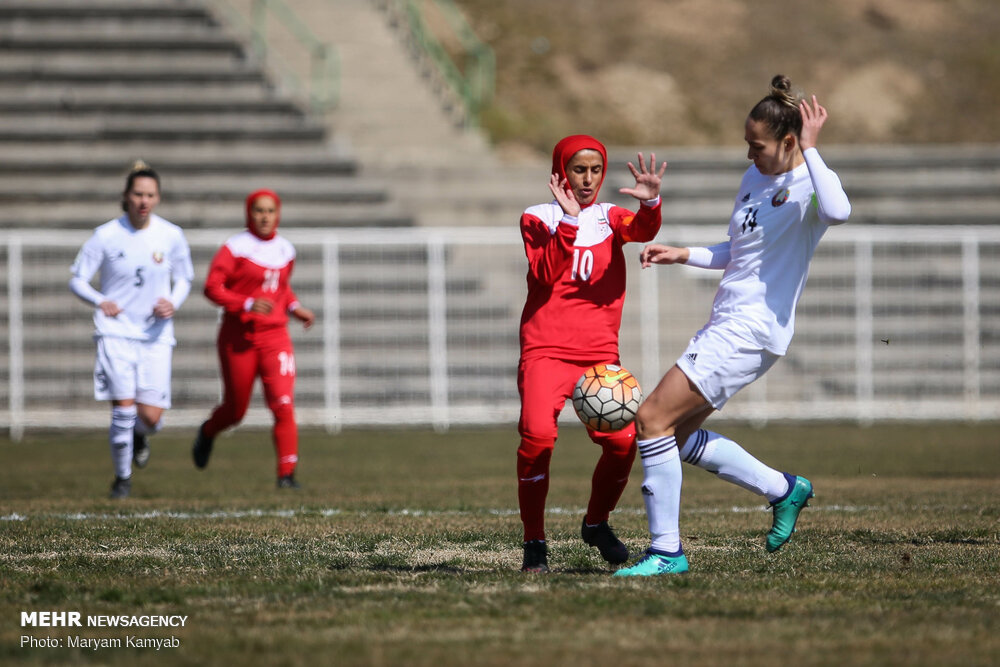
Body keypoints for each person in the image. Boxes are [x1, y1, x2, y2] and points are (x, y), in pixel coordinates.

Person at [614, 76, 852, 577]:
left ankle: (665, 552)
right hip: (729, 321)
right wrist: (685, 253)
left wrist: (811, 150)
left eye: (757, 146)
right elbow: (741, 253)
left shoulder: (810, 181)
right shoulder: (755, 182)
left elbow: (839, 210)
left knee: (652, 418)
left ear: (788, 141)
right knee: (671, 437)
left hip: (749, 329)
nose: (750, 155)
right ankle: (784, 490)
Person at [517, 134, 667, 572]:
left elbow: (640, 231)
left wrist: (650, 204)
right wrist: (567, 220)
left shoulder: (609, 216)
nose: (587, 179)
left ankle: (596, 524)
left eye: (595, 170)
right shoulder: (537, 216)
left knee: (623, 444)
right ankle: (534, 543)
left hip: (599, 354)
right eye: (577, 169)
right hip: (545, 350)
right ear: (560, 171)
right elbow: (545, 273)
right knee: (537, 438)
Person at [69, 161, 194, 499]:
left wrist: (174, 301)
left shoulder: (171, 235)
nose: (144, 200)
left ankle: (140, 436)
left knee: (151, 419)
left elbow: (184, 277)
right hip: (116, 333)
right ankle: (122, 480)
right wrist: (100, 300)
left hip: (155, 334)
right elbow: (77, 279)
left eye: (150, 195)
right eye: (138, 193)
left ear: (158, 198)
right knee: (123, 409)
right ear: (126, 196)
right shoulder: (106, 235)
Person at [192, 189, 315, 489]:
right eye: (259, 210)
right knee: (236, 411)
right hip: (239, 337)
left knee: (283, 405)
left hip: (275, 337)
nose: (264, 217)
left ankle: (286, 475)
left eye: (270, 211)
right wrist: (245, 303)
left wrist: (295, 308)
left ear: (278, 214)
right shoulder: (235, 247)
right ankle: (208, 430)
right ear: (249, 213)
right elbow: (212, 287)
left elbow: (281, 290)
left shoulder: (286, 250)